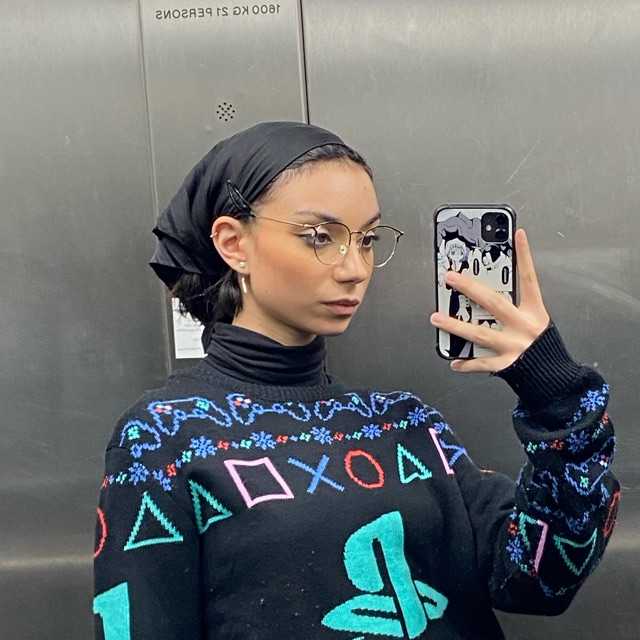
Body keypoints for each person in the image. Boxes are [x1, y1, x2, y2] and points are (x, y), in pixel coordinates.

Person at [92, 121, 620, 640]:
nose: (355, 269)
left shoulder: (405, 424)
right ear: (234, 243)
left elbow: (543, 579)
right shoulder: (164, 435)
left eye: (366, 239)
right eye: (320, 237)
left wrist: (554, 393)